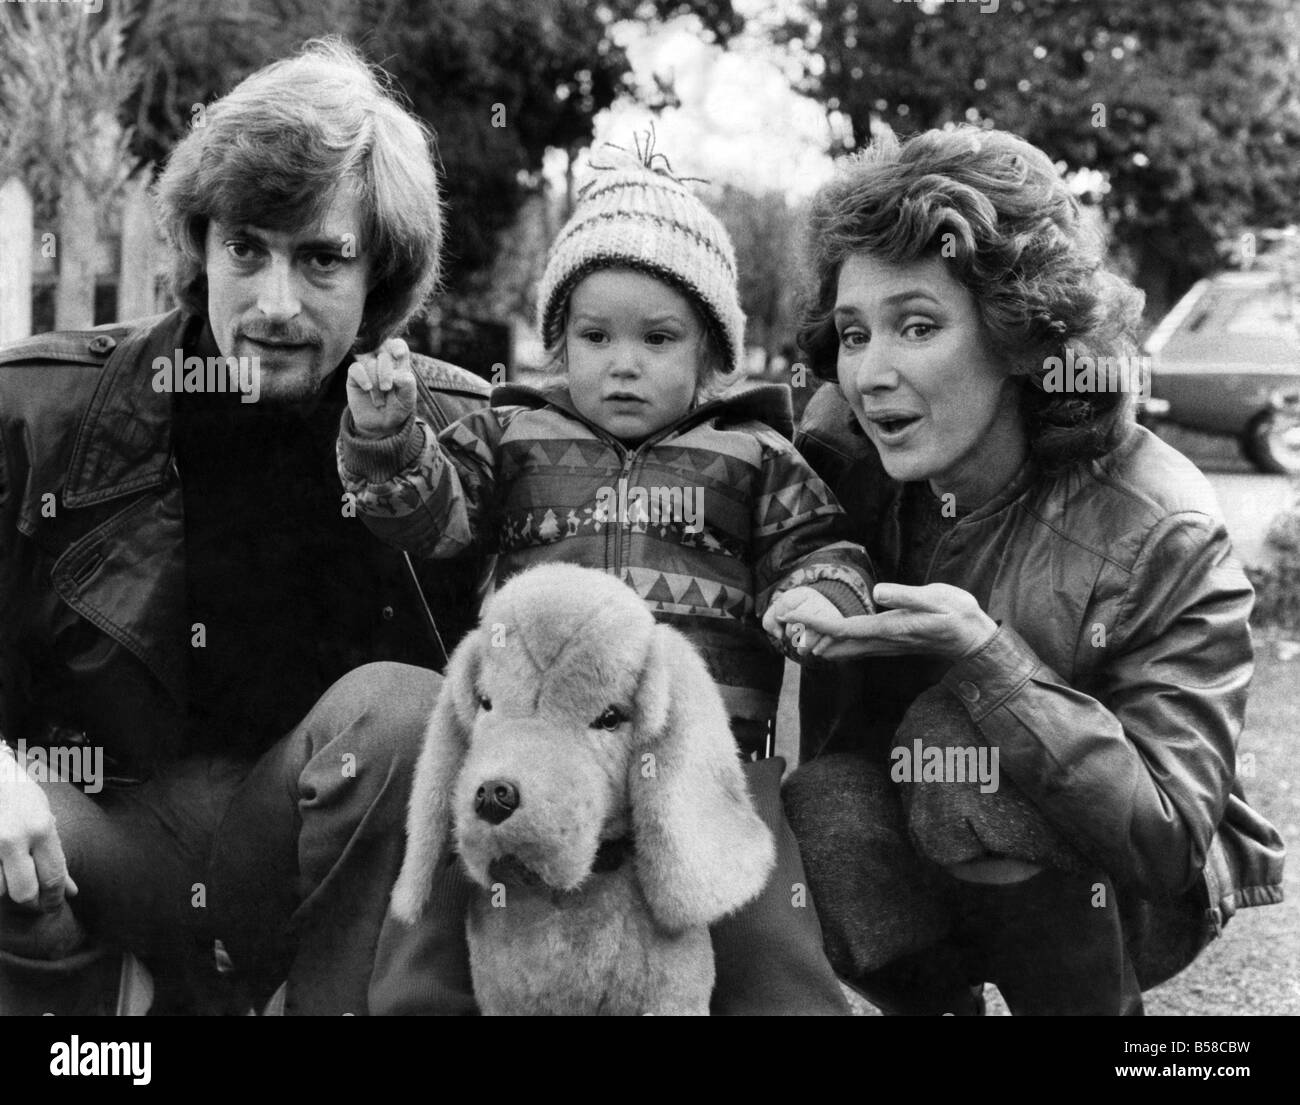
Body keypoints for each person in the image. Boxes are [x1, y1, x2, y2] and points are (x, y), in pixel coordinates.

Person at [0, 39, 492, 1015]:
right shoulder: (42, 410)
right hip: (106, 837)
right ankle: (99, 1016)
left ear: (379, 272)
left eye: (319, 260)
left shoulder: (458, 431)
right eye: (245, 251)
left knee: (402, 709)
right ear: (199, 246)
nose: (273, 304)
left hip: (315, 863)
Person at [339, 141, 873, 1014]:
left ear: (712, 350)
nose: (623, 362)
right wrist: (386, 435)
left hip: (705, 758)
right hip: (531, 752)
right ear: (559, 339)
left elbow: (820, 543)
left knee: (767, 938)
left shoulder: (753, 456)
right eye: (595, 335)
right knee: (442, 906)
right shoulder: (511, 440)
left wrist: (816, 593)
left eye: (658, 338)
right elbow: (428, 523)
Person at [772, 125, 1285, 1016]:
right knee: (822, 807)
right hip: (921, 828)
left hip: (1127, 884)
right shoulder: (839, 453)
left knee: (961, 750)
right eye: (854, 333)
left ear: (1021, 337)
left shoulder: (1161, 521)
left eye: (918, 325)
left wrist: (988, 660)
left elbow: (1166, 836)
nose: (872, 372)